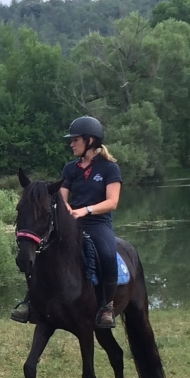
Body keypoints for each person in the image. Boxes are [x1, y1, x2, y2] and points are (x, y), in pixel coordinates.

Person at [10, 115, 124, 329]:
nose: (71, 144)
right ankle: (31, 302)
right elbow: (62, 197)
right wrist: (68, 209)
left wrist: (84, 210)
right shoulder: (70, 168)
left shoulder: (109, 168)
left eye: (75, 140)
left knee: (108, 253)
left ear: (90, 140)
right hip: (71, 223)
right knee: (42, 251)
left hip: (98, 224)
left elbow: (112, 201)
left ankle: (107, 306)